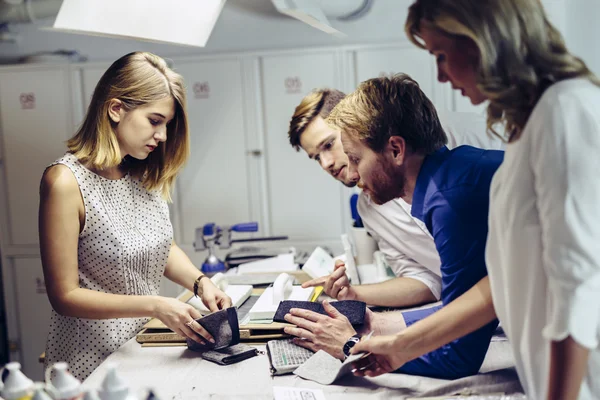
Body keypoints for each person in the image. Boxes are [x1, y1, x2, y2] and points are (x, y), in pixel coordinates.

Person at [352, 1, 600, 399]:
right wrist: (401, 346)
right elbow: (499, 284)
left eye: (441, 55)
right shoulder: (529, 127)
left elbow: (578, 290)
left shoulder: (564, 112)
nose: (441, 75)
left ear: (483, 40)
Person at [285, 74, 503, 379]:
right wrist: (380, 327)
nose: (351, 172)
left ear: (396, 149)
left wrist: (351, 347)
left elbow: (458, 355)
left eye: (355, 158)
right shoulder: (455, 172)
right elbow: (478, 301)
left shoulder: (450, 200)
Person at [39, 52, 232, 380]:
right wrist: (156, 305)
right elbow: (64, 296)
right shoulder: (64, 182)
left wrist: (201, 282)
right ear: (116, 109)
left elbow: (160, 246)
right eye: (155, 121)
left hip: (139, 349)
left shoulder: (140, 173)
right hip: (89, 363)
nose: (163, 136)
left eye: (167, 125)